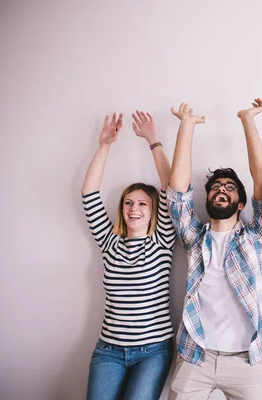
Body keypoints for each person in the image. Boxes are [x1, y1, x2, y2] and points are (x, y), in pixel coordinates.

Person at [166, 99, 262, 400]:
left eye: (229, 188)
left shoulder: (257, 237)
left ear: (241, 204)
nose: (221, 190)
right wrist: (186, 126)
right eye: (216, 187)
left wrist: (247, 120)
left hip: (245, 358)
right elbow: (177, 193)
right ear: (207, 201)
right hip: (195, 355)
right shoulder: (193, 237)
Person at [82, 111, 176, 400]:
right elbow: (89, 195)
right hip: (108, 350)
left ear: (153, 211)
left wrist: (153, 140)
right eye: (129, 203)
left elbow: (170, 188)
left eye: (143, 204)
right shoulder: (110, 241)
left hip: (153, 351)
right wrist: (104, 146)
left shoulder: (162, 240)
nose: (134, 208)